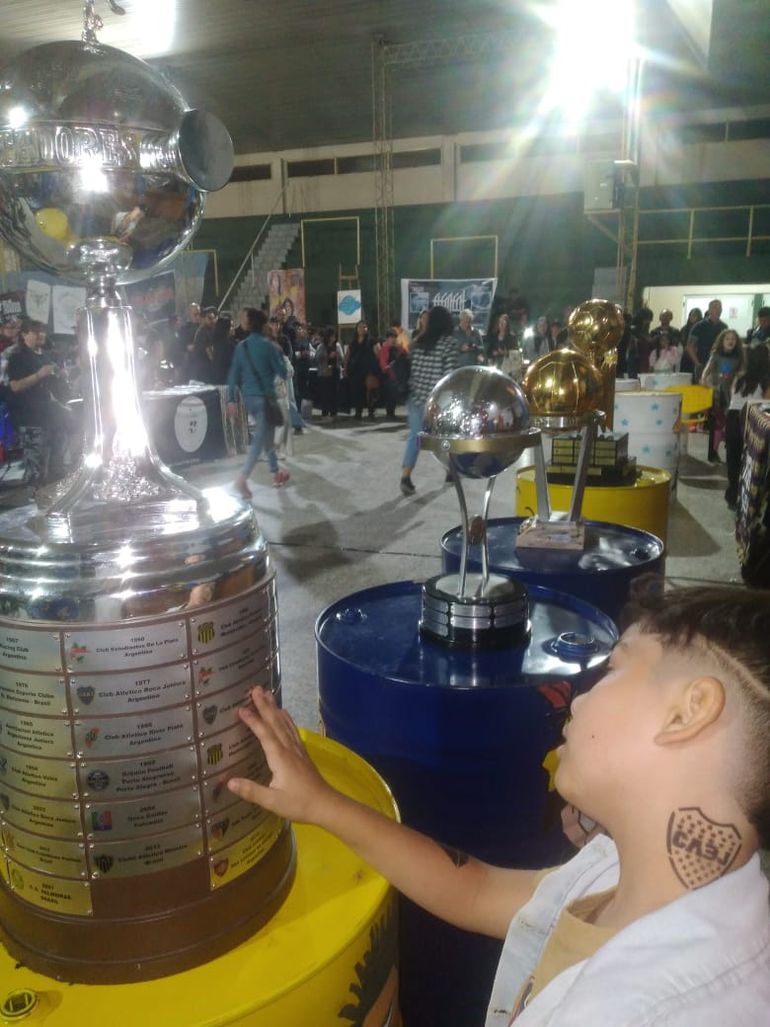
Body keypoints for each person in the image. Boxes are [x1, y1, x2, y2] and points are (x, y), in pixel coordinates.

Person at [228, 584, 770, 1026]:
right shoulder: (618, 871)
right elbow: (477, 890)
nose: (579, 697)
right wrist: (322, 803)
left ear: (688, 712)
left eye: (615, 670)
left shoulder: (663, 1011)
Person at [226, 308, 289, 496]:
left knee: (267, 437)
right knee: (260, 439)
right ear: (263, 325)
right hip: (265, 399)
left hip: (249, 399)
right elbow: (283, 373)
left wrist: (230, 400)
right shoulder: (269, 346)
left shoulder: (241, 346)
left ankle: (276, 473)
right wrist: (279, 353)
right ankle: (242, 479)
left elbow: (233, 375)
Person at [400, 305, 458, 496]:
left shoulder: (419, 342)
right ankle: (451, 470)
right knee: (445, 436)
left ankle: (406, 476)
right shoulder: (449, 343)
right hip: (436, 402)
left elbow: (412, 373)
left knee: (415, 437)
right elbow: (449, 375)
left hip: (416, 398)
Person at [723, 345, 770, 510]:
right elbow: (766, 404)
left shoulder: (738, 376)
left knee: (733, 459)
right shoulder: (764, 380)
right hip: (751, 420)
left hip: (732, 419)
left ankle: (731, 495)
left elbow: (730, 397)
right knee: (748, 461)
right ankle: (745, 499)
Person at [701, 328, 743, 462]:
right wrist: (707, 384)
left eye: (733, 339)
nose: (730, 341)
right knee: (717, 423)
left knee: (728, 423)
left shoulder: (738, 358)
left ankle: (720, 450)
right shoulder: (716, 356)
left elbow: (741, 374)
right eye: (727, 339)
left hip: (731, 394)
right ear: (722, 341)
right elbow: (705, 373)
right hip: (717, 393)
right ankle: (713, 451)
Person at [345, 320, 379, 420]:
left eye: (364, 327)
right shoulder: (353, 342)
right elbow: (348, 355)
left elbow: (377, 353)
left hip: (369, 369)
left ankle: (371, 412)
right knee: (357, 391)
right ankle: (358, 412)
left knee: (370, 391)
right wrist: (346, 367)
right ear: (356, 329)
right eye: (360, 327)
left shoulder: (372, 340)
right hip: (356, 370)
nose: (362, 329)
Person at [687, 300, 727, 383]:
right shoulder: (699, 326)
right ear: (709, 310)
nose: (718, 310)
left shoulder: (724, 327)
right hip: (703, 362)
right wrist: (697, 364)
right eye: (715, 307)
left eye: (720, 308)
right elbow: (690, 347)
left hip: (720, 364)